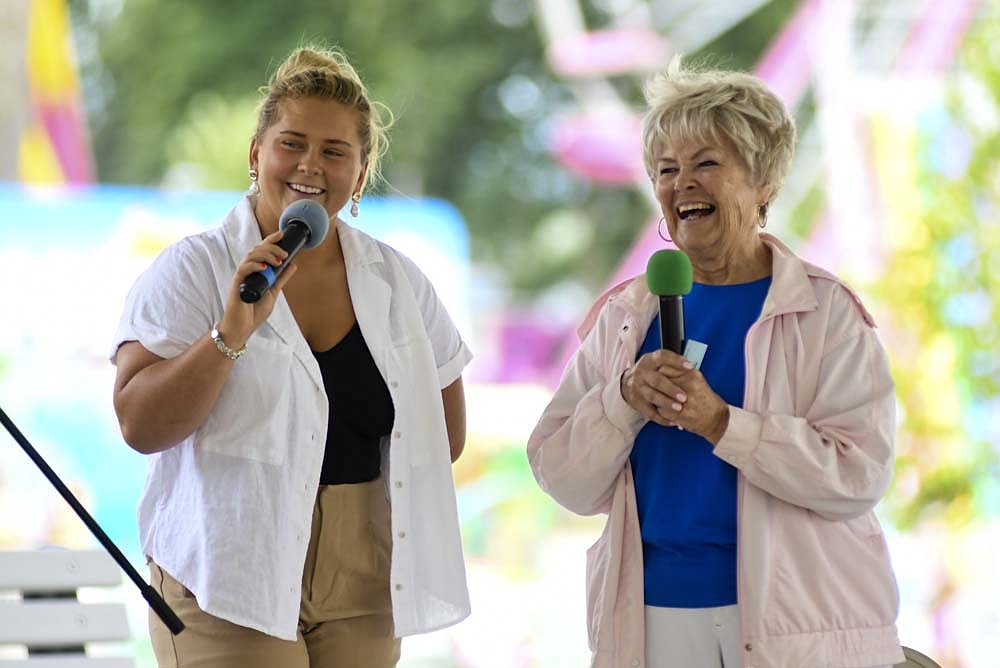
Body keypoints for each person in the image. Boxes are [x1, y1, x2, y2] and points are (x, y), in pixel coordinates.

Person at [527, 57, 904, 668]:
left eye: (706, 164)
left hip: (799, 628)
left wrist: (722, 423)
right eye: (667, 170)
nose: (682, 185)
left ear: (764, 183)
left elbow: (859, 475)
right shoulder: (625, 315)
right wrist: (621, 400)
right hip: (652, 623)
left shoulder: (827, 312)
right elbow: (561, 476)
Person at [111, 46, 472, 668]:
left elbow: (446, 434)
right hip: (227, 573)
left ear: (359, 176)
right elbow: (139, 425)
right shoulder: (195, 269)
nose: (311, 165)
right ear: (257, 155)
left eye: (335, 152)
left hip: (363, 579)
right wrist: (229, 334)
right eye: (292, 144)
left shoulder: (400, 284)